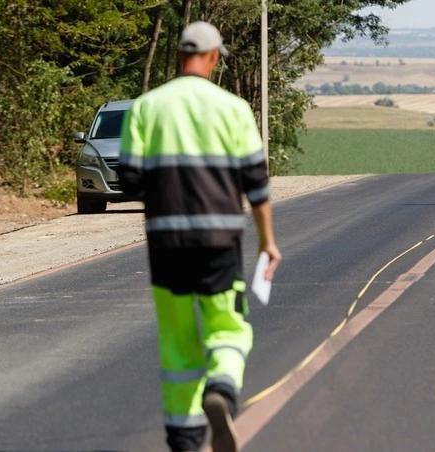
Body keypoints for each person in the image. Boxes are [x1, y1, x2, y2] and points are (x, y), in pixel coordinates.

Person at [118, 21, 281, 452]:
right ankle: (222, 390)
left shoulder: (146, 107)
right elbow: (257, 187)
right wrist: (268, 241)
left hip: (165, 244)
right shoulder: (232, 109)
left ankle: (185, 440)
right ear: (212, 57)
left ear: (177, 57)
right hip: (219, 242)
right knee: (227, 328)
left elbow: (130, 180)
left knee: (177, 343)